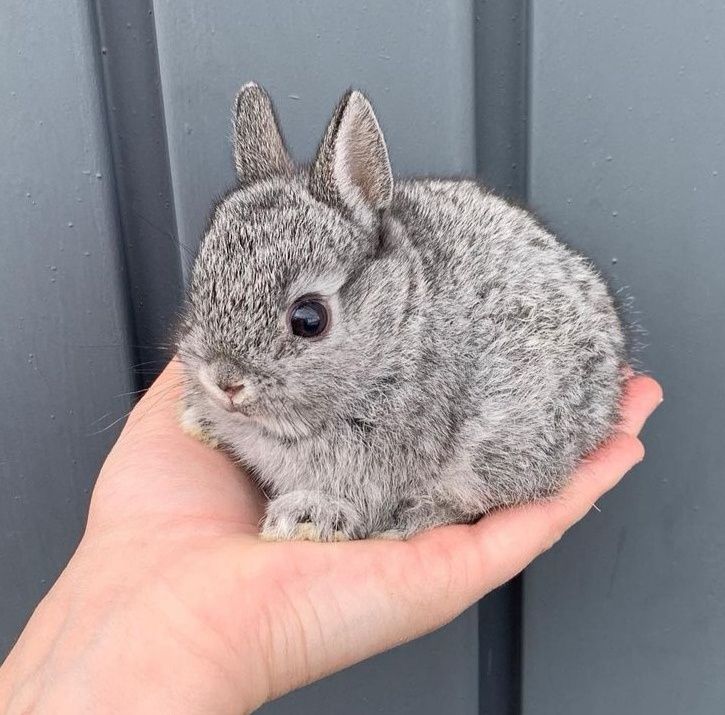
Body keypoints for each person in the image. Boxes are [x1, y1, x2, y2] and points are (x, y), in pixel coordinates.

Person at [0, 361, 662, 713]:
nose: (225, 382)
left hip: (488, 417)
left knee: (479, 457)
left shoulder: (398, 375)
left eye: (307, 323)